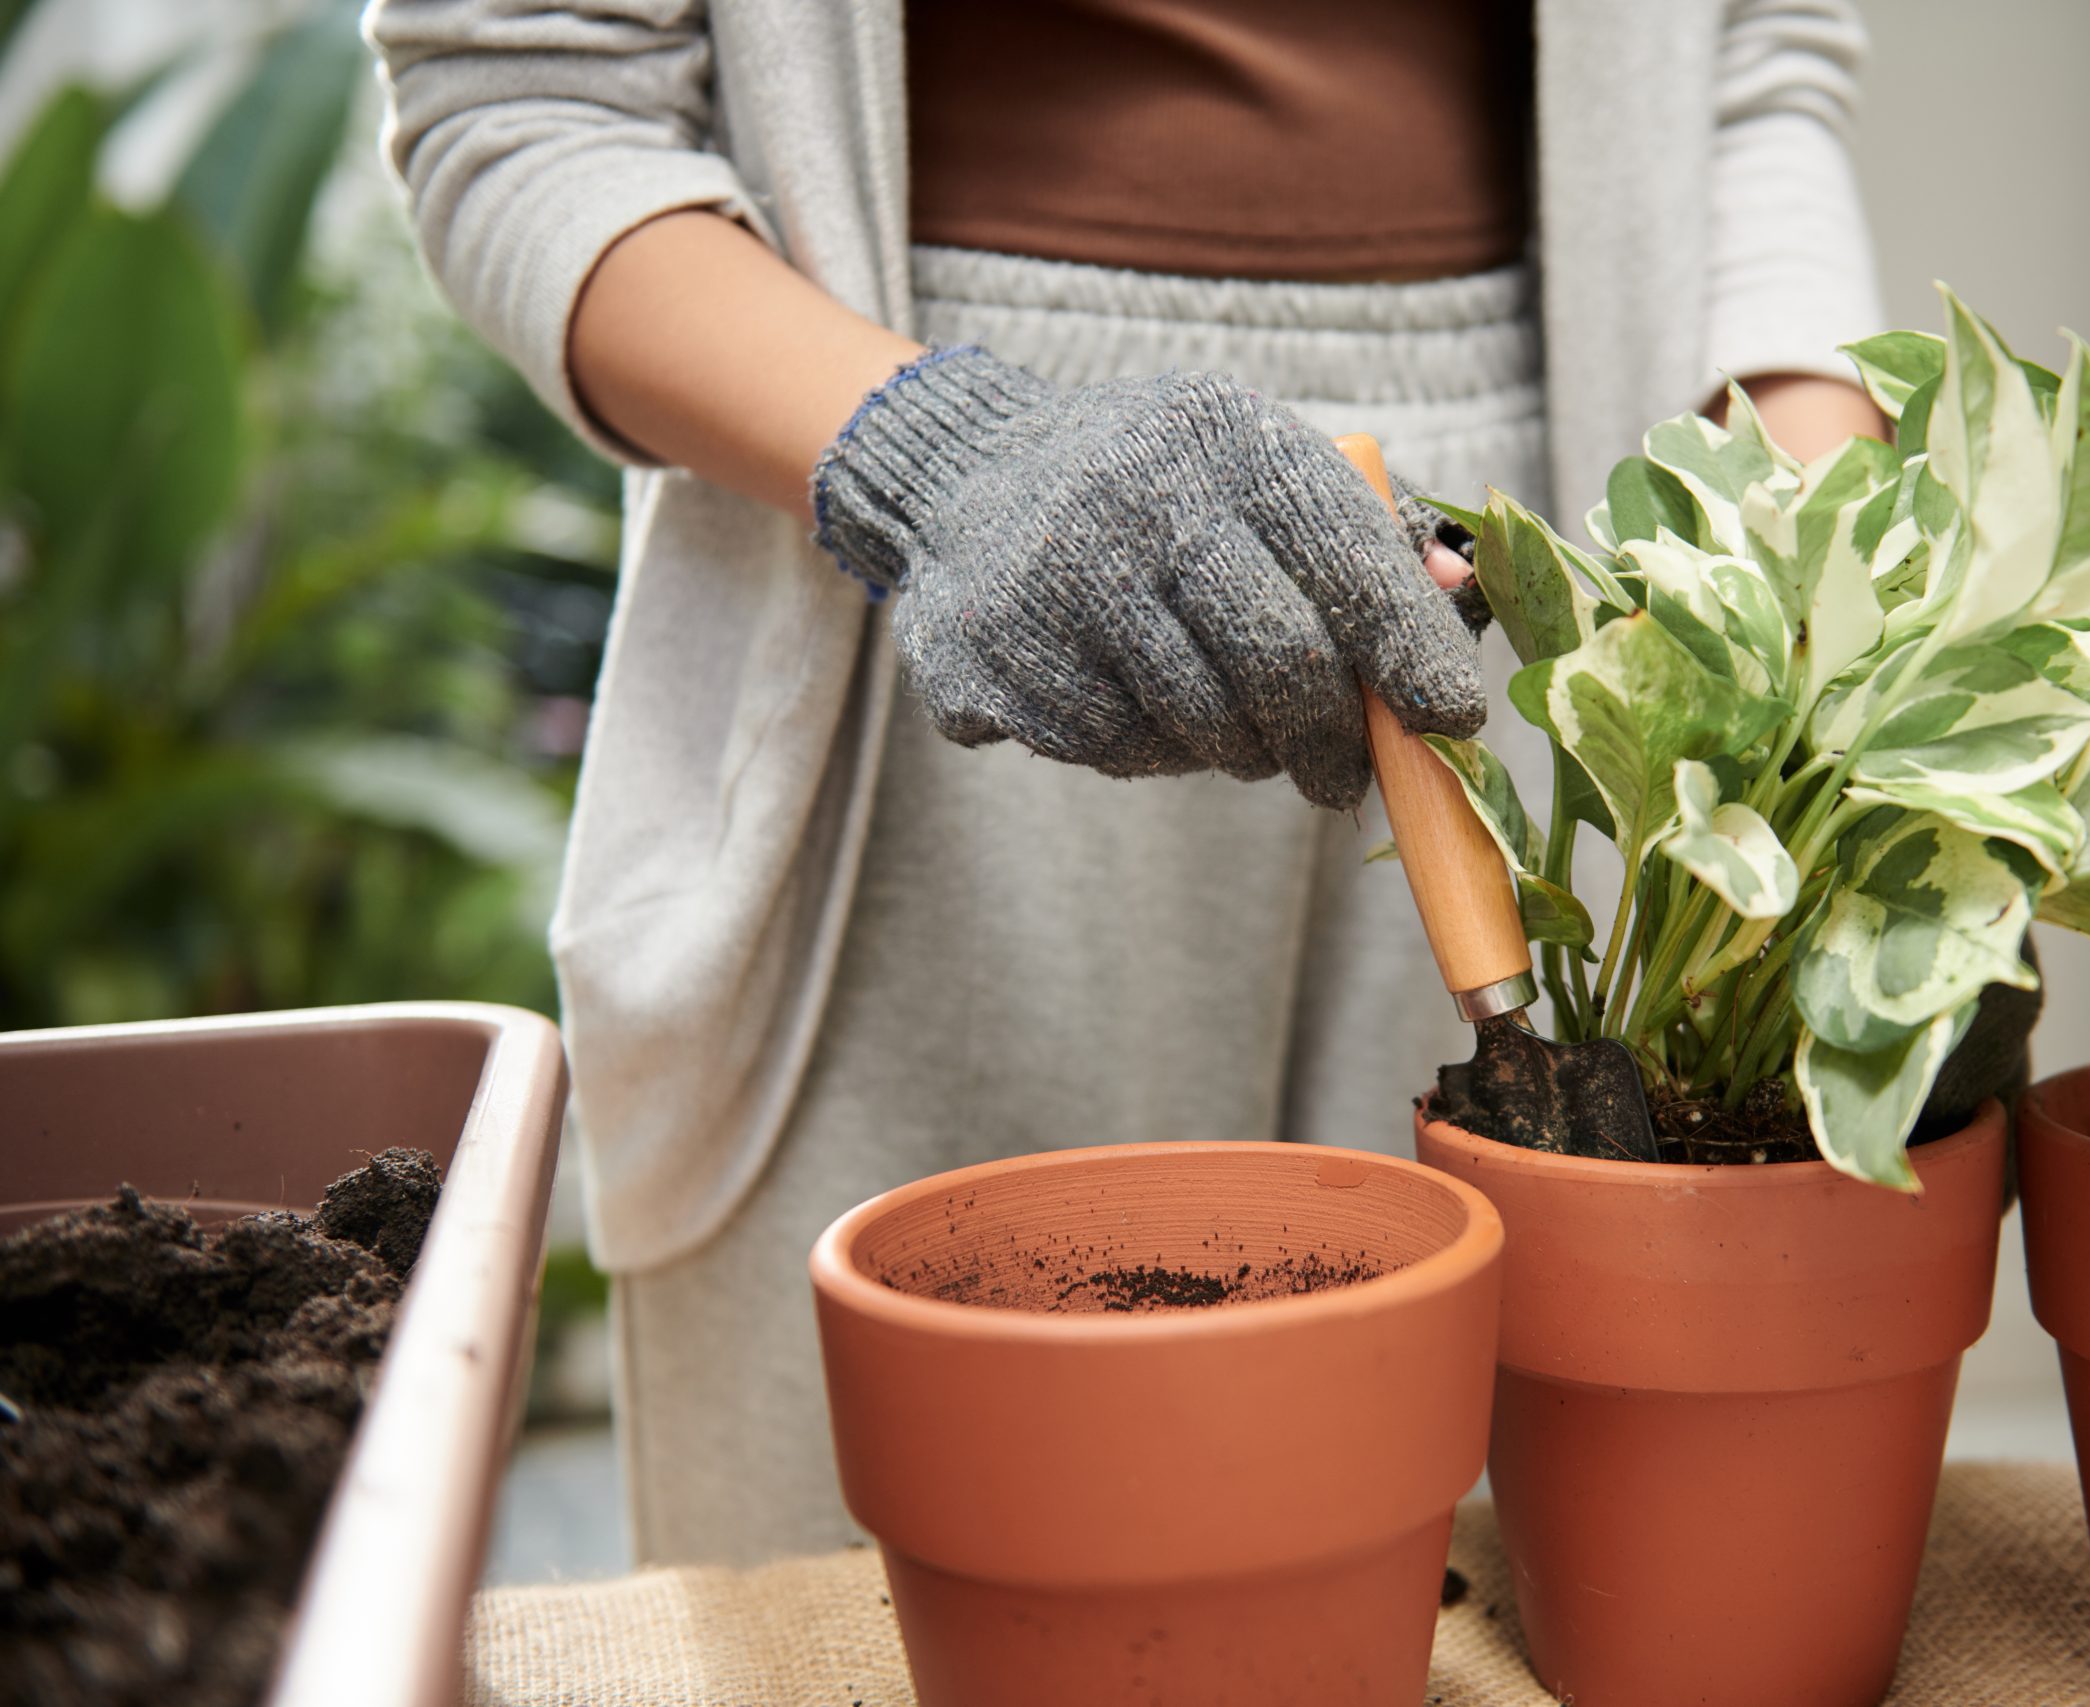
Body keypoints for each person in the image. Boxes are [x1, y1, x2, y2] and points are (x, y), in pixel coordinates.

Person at [365, 0, 1891, 1565]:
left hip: (1543, 562)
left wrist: (1835, 612)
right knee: (900, 1592)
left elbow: (1751, 79)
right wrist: (941, 455)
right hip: (912, 570)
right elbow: (527, 104)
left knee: (1475, 1612)